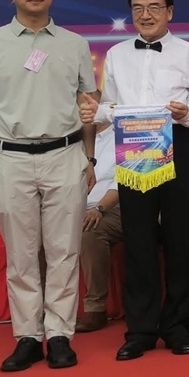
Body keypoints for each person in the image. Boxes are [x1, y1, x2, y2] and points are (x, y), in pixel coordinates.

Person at [0, 0, 98, 372]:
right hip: (10, 158)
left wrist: (89, 158)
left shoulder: (75, 44)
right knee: (21, 254)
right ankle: (27, 336)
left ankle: (59, 335)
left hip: (65, 155)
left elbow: (88, 104)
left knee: (64, 251)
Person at [88, 0, 189, 361]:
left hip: (176, 142)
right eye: (138, 8)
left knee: (179, 238)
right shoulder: (116, 54)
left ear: (169, 12)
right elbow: (108, 107)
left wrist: (187, 112)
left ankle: (178, 328)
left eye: (154, 7)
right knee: (138, 239)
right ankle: (140, 330)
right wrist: (103, 111)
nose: (145, 14)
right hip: (135, 146)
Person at [75, 124, 121, 332]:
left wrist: (99, 208)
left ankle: (95, 308)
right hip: (74, 207)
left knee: (90, 230)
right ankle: (42, 309)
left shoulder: (120, 135)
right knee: (39, 231)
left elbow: (123, 181)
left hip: (115, 207)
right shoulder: (72, 140)